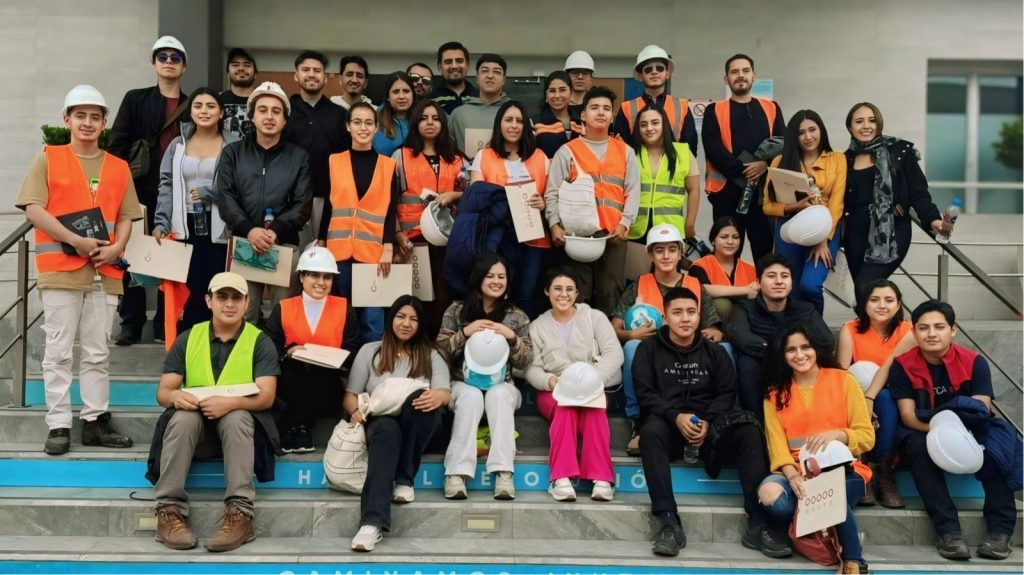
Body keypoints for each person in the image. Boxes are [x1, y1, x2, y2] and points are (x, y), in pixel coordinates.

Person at [17, 85, 142, 455]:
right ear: (66, 119)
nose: (87, 123)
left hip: (105, 271)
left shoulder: (118, 167)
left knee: (97, 351)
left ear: (104, 124)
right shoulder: (49, 159)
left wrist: (117, 246)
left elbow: (126, 215)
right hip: (61, 269)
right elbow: (34, 209)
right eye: (80, 115)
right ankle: (58, 424)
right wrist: (76, 239)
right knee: (57, 351)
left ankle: (94, 421)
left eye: (95, 117)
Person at [634, 287, 785, 559]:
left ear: (699, 316)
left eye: (691, 312)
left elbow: (727, 391)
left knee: (749, 432)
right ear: (665, 318)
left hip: (711, 428)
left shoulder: (714, 352)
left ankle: (758, 521)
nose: (685, 318)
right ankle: (668, 520)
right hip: (668, 425)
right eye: (677, 312)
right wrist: (675, 416)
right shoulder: (648, 350)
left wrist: (709, 421)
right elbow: (646, 394)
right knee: (650, 432)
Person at [148, 272, 279, 552]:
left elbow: (267, 396)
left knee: (237, 416)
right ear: (209, 301)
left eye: (236, 298)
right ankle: (169, 510)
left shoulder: (260, 341)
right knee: (181, 418)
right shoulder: (188, 337)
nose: (229, 304)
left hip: (240, 434)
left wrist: (230, 403)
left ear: (247, 302)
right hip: (194, 429)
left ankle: (240, 513)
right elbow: (163, 392)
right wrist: (175, 396)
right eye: (222, 296)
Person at [890, 300, 1016, 561]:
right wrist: (941, 434)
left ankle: (1000, 533)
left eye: (939, 327)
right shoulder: (902, 365)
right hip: (924, 428)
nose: (931, 333)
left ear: (953, 330)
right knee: (917, 446)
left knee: (998, 448)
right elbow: (908, 415)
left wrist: (959, 435)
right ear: (913, 332)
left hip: (971, 427)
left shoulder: (974, 362)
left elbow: (981, 406)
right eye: (923, 328)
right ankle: (948, 532)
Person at [756, 323, 874, 574]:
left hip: (844, 471)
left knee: (831, 492)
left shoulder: (844, 381)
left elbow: (866, 437)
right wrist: (794, 476)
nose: (800, 355)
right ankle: (826, 530)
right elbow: (777, 448)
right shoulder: (775, 393)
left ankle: (854, 560)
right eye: (791, 350)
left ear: (817, 348)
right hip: (797, 472)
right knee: (769, 496)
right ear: (783, 355)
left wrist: (838, 434)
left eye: (805, 347)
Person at [345, 295, 451, 552]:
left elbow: (443, 393)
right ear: (390, 318)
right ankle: (371, 523)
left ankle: (404, 477)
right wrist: (355, 412)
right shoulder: (370, 351)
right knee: (386, 431)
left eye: (414, 319)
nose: (406, 324)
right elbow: (351, 395)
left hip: (422, 425)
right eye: (401, 317)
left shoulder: (431, 354)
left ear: (421, 324)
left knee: (420, 398)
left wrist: (438, 395)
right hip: (381, 421)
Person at [611, 224, 723, 456]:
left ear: (680, 253)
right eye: (659, 250)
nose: (666, 256)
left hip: (689, 353)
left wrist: (715, 334)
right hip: (653, 356)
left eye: (672, 250)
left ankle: (717, 422)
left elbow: (714, 329)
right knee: (632, 348)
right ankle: (638, 421)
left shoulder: (694, 285)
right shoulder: (638, 285)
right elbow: (614, 328)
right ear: (650, 254)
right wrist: (631, 335)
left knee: (726, 350)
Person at [107, 35, 189, 345]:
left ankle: (164, 324)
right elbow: (116, 147)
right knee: (132, 257)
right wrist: (120, 189)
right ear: (154, 63)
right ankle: (132, 321)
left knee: (172, 259)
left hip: (177, 194)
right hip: (138, 191)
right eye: (163, 56)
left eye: (175, 57)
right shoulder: (136, 99)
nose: (169, 61)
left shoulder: (194, 102)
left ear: (184, 66)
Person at [437, 253, 532, 500]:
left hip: (504, 384)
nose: (496, 281)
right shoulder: (457, 310)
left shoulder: (516, 316)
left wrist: (512, 337)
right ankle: (456, 474)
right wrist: (465, 333)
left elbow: (526, 361)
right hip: (461, 383)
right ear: (478, 278)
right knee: (470, 397)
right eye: (490, 276)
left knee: (499, 395)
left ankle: (503, 472)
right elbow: (440, 352)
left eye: (501, 276)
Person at [217, 81, 312, 325]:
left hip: (283, 244)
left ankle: (279, 363)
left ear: (284, 120)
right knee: (243, 316)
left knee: (284, 316)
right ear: (252, 116)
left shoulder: (298, 157)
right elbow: (225, 196)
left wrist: (276, 231)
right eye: (262, 110)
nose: (269, 116)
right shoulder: (233, 153)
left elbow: (303, 202)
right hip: (243, 244)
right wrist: (250, 229)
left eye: (276, 111)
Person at [525, 269, 622, 502]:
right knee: (564, 407)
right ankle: (561, 478)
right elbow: (531, 367)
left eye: (570, 289)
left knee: (595, 410)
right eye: (557, 288)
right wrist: (549, 381)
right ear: (547, 291)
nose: (564, 294)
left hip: (593, 386)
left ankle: (601, 478)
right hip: (555, 389)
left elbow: (614, 353)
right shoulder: (537, 326)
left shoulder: (594, 317)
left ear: (577, 293)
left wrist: (593, 379)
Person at [545, 86, 640, 312]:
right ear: (583, 115)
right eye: (594, 107)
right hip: (577, 235)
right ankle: (579, 345)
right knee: (578, 293)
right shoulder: (567, 151)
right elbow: (552, 192)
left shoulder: (625, 151)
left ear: (612, 116)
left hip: (614, 234)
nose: (601, 112)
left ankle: (609, 345)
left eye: (606, 108)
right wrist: (554, 225)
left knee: (611, 293)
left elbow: (634, 190)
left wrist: (625, 223)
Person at [843, 102, 948, 305]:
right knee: (862, 296)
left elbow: (919, 192)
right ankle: (884, 334)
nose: (866, 126)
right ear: (850, 127)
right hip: (855, 234)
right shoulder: (844, 160)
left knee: (865, 287)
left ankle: (896, 330)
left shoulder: (899, 151)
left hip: (893, 230)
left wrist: (932, 219)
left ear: (879, 124)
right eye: (859, 121)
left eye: (872, 120)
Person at [153, 87, 236, 334]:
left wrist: (210, 193)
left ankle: (221, 342)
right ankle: (191, 346)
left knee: (219, 288)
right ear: (191, 111)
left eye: (211, 106)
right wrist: (161, 222)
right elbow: (166, 183)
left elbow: (241, 188)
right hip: (184, 228)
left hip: (220, 228)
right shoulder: (178, 144)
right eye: (198, 106)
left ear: (221, 112)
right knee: (190, 290)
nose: (204, 111)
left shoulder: (234, 145)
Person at [262, 246, 361, 453]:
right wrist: (288, 352)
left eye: (327, 277)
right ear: (302, 278)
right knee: (294, 372)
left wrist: (329, 358)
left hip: (328, 381)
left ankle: (300, 428)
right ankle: (297, 427)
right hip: (290, 381)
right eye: (314, 275)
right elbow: (270, 347)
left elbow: (352, 347)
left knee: (317, 376)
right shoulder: (284, 307)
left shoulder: (344, 308)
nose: (321, 282)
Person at [322, 102, 400, 344]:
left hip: (373, 253)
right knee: (341, 316)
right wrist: (321, 241)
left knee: (372, 320)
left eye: (369, 122)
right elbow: (328, 205)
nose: (363, 127)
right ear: (348, 126)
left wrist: (388, 247)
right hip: (339, 253)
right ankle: (343, 370)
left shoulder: (389, 166)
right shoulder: (334, 161)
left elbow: (390, 211)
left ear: (376, 127)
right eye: (357, 122)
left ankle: (370, 372)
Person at [836, 279, 915, 508]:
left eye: (889, 300)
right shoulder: (850, 329)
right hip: (858, 393)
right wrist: (862, 401)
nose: (882, 305)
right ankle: (865, 470)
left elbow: (890, 368)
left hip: (895, 394)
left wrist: (870, 396)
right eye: (874, 300)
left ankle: (885, 472)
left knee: (885, 397)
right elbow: (841, 373)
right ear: (864, 303)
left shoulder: (908, 330)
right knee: (856, 393)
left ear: (899, 305)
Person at [701, 54, 785, 264]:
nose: (740, 76)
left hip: (763, 196)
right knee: (726, 255)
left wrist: (764, 166)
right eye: (734, 72)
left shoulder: (772, 108)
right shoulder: (714, 111)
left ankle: (764, 296)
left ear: (754, 76)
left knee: (765, 253)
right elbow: (714, 150)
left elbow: (784, 145)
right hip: (726, 195)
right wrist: (747, 171)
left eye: (745, 71)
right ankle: (726, 297)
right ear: (726, 79)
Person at [470, 100, 550, 318]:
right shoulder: (484, 156)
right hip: (497, 237)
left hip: (534, 239)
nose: (514, 125)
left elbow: (551, 196)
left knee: (526, 293)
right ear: (499, 124)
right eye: (508, 120)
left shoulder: (540, 157)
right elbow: (476, 198)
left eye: (519, 121)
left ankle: (524, 344)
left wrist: (543, 204)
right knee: (496, 294)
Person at [391, 98, 464, 335]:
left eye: (435, 118)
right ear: (415, 123)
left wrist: (454, 194)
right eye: (424, 118)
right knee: (414, 301)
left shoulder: (456, 158)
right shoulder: (400, 156)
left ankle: (438, 349)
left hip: (446, 242)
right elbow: (389, 201)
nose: (430, 123)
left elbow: (470, 194)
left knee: (443, 299)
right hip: (412, 241)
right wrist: (397, 233)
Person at [729, 253, 833, 417]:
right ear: (757, 283)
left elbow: (827, 341)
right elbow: (741, 337)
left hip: (800, 365)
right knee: (747, 364)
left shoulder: (805, 309)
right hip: (761, 365)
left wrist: (793, 354)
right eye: (771, 276)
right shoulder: (745, 307)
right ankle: (756, 423)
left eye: (785, 276)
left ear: (791, 284)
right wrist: (784, 352)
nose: (779, 281)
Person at [763, 110, 846, 315]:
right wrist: (794, 207)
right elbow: (767, 206)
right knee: (789, 288)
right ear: (794, 137)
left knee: (810, 285)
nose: (808, 137)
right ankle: (793, 335)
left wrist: (822, 237)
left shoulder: (837, 159)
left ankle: (815, 332)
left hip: (826, 229)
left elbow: (837, 204)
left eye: (812, 130)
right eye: (801, 133)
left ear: (821, 131)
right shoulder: (779, 161)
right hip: (789, 227)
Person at [283, 50, 351, 240]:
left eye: (317, 70)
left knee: (326, 256)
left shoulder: (340, 115)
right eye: (306, 70)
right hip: (291, 198)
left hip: (330, 198)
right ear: (296, 76)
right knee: (296, 259)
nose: (312, 74)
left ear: (325, 77)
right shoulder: (284, 113)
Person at [627, 106, 699, 243]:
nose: (649, 128)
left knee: (667, 264)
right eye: (643, 124)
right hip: (635, 228)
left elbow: (694, 189)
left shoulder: (683, 153)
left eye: (655, 123)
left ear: (664, 125)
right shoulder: (630, 153)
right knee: (636, 265)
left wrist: (690, 223)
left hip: (670, 228)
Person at [613, 45, 697, 156]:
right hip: (638, 171)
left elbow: (690, 146)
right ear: (641, 75)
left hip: (675, 170)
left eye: (660, 68)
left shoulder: (682, 106)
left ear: (667, 73)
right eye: (648, 69)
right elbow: (622, 147)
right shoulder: (626, 108)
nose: (654, 72)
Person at [689, 216, 758, 328]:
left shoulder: (750, 269)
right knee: (722, 304)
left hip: (745, 322)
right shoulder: (700, 265)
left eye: (735, 237)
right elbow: (704, 289)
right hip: (712, 324)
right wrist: (746, 290)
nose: (730, 242)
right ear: (713, 240)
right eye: (724, 237)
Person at [449, 54, 511, 159]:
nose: (490, 76)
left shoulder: (514, 111)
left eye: (496, 72)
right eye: (485, 71)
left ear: (504, 80)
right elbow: (447, 152)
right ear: (477, 78)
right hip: (467, 174)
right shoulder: (459, 114)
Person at [533, 71, 584, 159]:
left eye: (562, 90)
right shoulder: (534, 123)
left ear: (571, 93)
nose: (557, 95)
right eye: (552, 91)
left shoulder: (582, 123)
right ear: (546, 95)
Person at [373, 72, 414, 157]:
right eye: (396, 92)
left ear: (413, 94)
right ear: (388, 97)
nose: (401, 96)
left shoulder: (424, 116)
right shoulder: (375, 118)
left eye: (406, 91)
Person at [219, 48, 257, 140]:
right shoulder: (217, 101)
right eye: (235, 65)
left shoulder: (265, 100)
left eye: (247, 65)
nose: (241, 68)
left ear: (255, 74)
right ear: (228, 74)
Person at [431, 41, 478, 115]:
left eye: (459, 61)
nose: (454, 66)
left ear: (467, 65)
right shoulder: (430, 99)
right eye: (448, 62)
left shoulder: (479, 97)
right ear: (440, 67)